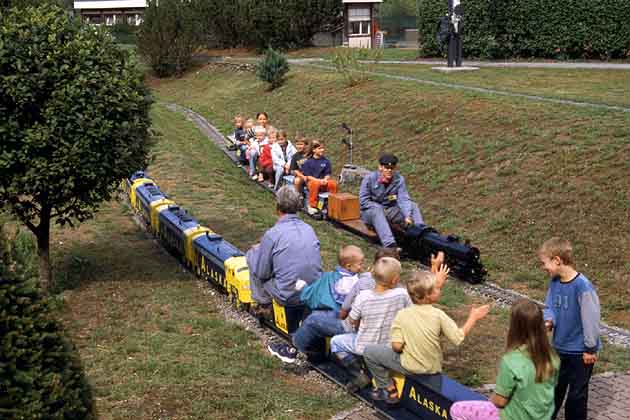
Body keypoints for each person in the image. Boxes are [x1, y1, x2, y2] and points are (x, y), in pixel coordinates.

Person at [363, 269, 490, 404]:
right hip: (431, 370)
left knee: (369, 352)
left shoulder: (402, 315)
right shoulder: (438, 315)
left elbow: (396, 346)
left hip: (409, 366)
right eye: (437, 289)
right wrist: (473, 317)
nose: (439, 290)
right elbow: (458, 338)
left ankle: (388, 388)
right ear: (429, 295)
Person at [450, 299, 559, 420]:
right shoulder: (552, 356)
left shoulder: (511, 360)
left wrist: (491, 399)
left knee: (456, 409)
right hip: (543, 417)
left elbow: (499, 401)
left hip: (513, 417)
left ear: (515, 327)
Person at [267, 245, 366, 364]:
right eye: (360, 264)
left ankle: (292, 349)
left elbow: (313, 297)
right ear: (349, 266)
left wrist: (303, 288)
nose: (362, 267)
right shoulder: (360, 280)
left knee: (312, 319)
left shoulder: (330, 278)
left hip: (346, 322)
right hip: (356, 321)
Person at [539, 238, 600, 420]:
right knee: (554, 390)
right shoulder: (555, 283)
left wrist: (590, 348)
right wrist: (548, 320)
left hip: (581, 353)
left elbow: (591, 320)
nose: (543, 267)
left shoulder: (583, 286)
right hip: (560, 348)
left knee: (576, 396)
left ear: (557, 260)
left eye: (545, 263)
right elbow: (549, 306)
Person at [246, 186, 322, 310]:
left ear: (278, 208)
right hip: (313, 291)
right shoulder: (309, 229)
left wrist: (259, 251)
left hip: (289, 296)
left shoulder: (272, 234)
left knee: (251, 255)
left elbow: (262, 273)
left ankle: (263, 304)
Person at [329, 257, 410, 369]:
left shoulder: (363, 297)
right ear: (395, 280)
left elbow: (352, 320)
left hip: (364, 346)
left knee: (336, 342)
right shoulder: (402, 294)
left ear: (372, 274)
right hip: (389, 347)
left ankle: (357, 372)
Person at [359, 153, 424, 248]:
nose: (389, 170)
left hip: (389, 211)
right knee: (377, 210)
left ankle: (422, 234)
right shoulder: (369, 179)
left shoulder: (399, 179)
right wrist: (377, 207)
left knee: (413, 205)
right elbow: (363, 201)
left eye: (392, 168)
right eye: (386, 168)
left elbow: (403, 199)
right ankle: (390, 245)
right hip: (370, 213)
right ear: (380, 167)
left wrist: (407, 215)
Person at [300, 140, 337, 216]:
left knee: (333, 184)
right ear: (314, 150)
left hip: (323, 182)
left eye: (323, 148)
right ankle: (312, 205)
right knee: (315, 183)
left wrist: (325, 179)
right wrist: (318, 180)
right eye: (320, 148)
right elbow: (308, 176)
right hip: (312, 182)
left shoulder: (326, 161)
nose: (322, 150)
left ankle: (333, 204)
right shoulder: (307, 162)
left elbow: (328, 173)